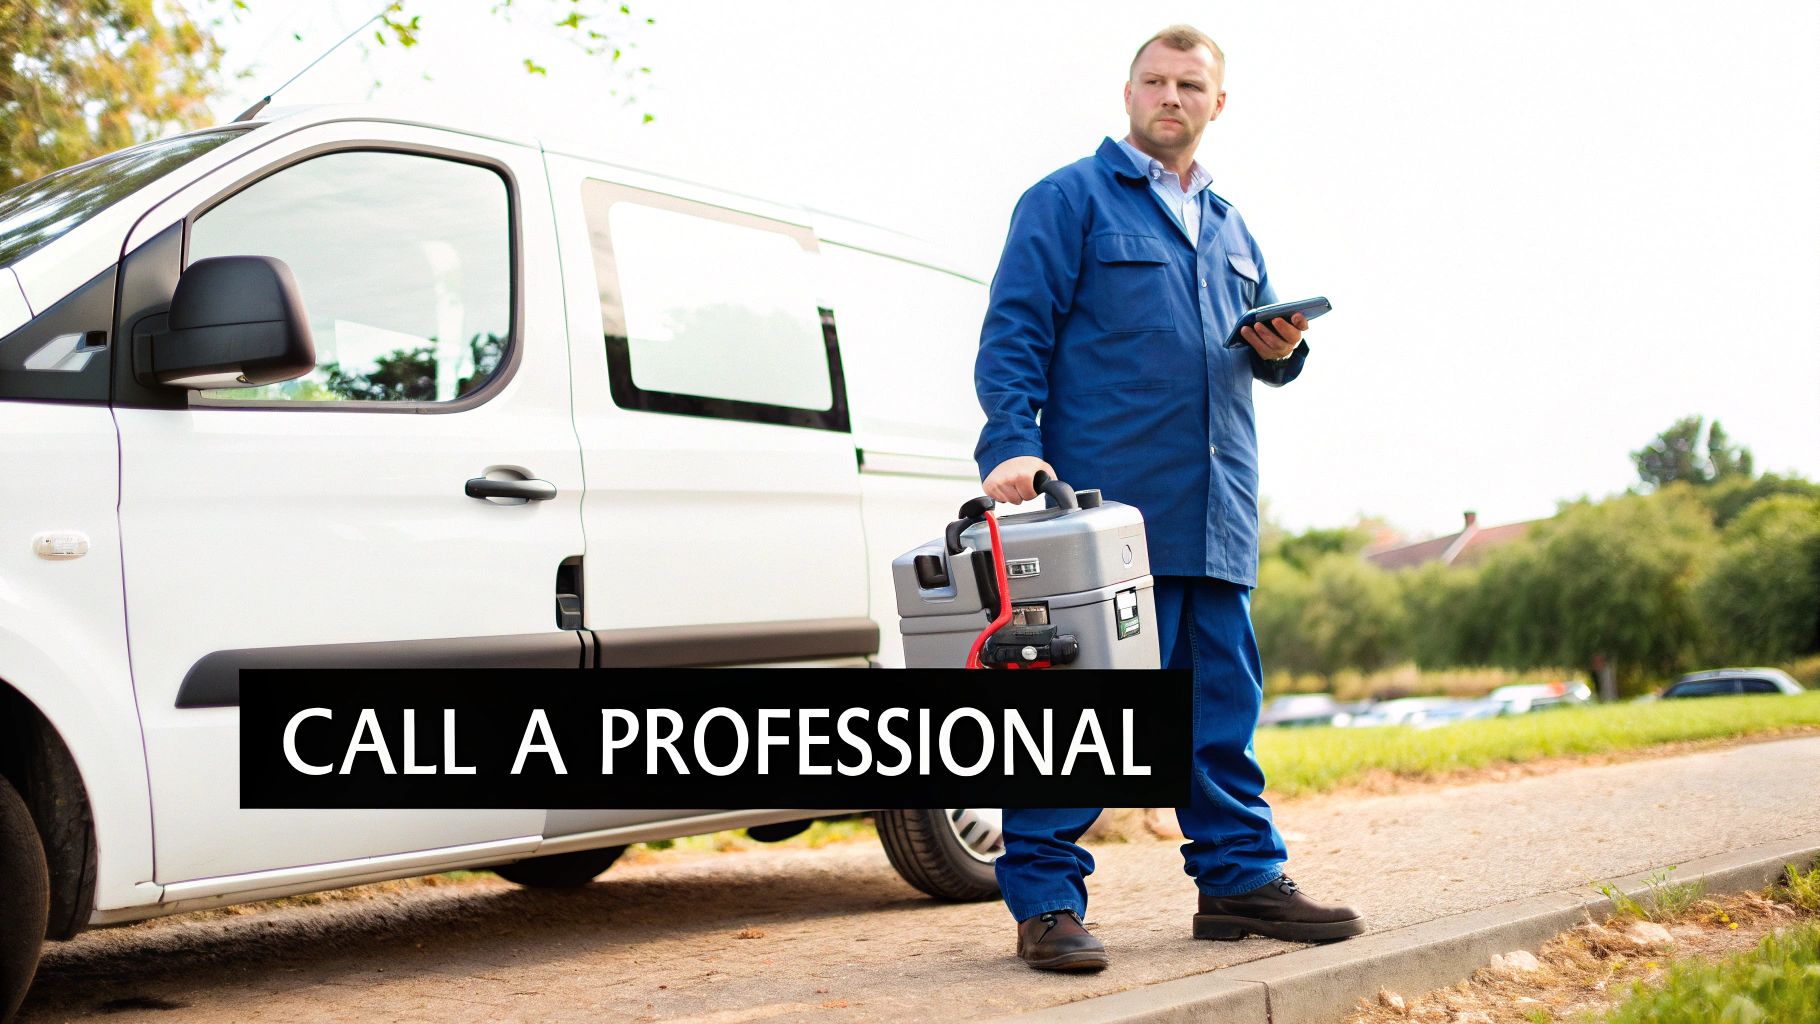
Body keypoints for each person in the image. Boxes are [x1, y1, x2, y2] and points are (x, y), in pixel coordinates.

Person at [972, 24, 1365, 972]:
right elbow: (1014, 331)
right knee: (1081, 715)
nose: (1171, 98)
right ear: (1128, 92)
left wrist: (1283, 349)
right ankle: (1046, 902)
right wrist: (1012, 445)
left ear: (1216, 104)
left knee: (1219, 708)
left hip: (1216, 508)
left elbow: (1256, 345)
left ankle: (1237, 880)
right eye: (1156, 81)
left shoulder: (1231, 225)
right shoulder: (1066, 200)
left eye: (1191, 85)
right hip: (1103, 515)